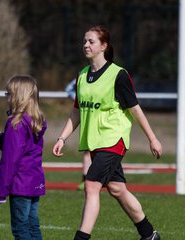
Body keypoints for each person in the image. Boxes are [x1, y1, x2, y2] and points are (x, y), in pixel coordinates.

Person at [52, 25, 162, 240]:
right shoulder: (82, 75)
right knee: (117, 189)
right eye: (84, 41)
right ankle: (149, 235)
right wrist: (62, 138)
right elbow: (77, 111)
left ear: (104, 46)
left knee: (91, 185)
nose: (85, 45)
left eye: (91, 41)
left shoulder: (118, 75)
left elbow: (135, 109)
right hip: (94, 141)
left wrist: (153, 138)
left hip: (113, 139)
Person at [0, 75, 47, 240]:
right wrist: (3, 140)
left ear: (17, 96)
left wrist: (1, 192)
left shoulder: (16, 123)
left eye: (8, 94)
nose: (6, 97)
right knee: (32, 226)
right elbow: (24, 151)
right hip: (34, 181)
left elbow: (10, 161)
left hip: (20, 183)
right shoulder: (35, 121)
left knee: (20, 229)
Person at [65, 78, 92, 191]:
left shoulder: (113, 73)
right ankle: (86, 180)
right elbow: (68, 89)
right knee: (87, 150)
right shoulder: (83, 74)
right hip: (89, 118)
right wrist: (80, 101)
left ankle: (96, 180)